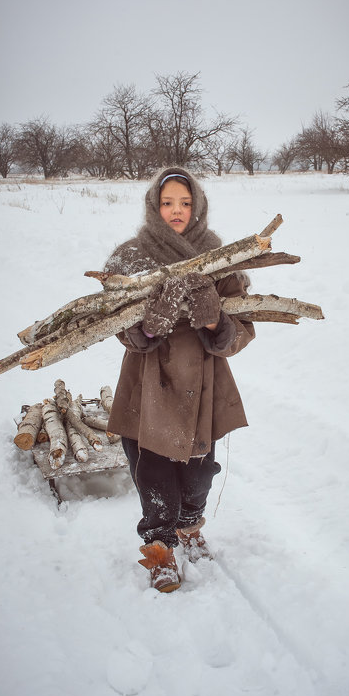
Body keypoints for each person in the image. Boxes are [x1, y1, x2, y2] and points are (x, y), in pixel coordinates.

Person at [104, 166, 255, 592]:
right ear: (154, 206)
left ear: (198, 206)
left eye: (185, 203)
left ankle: (190, 525)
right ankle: (160, 547)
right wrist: (148, 327)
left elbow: (241, 331)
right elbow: (117, 327)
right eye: (168, 202)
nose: (177, 211)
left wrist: (214, 322)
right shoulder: (130, 257)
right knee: (152, 474)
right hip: (148, 381)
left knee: (198, 473)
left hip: (202, 383)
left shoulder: (221, 257)